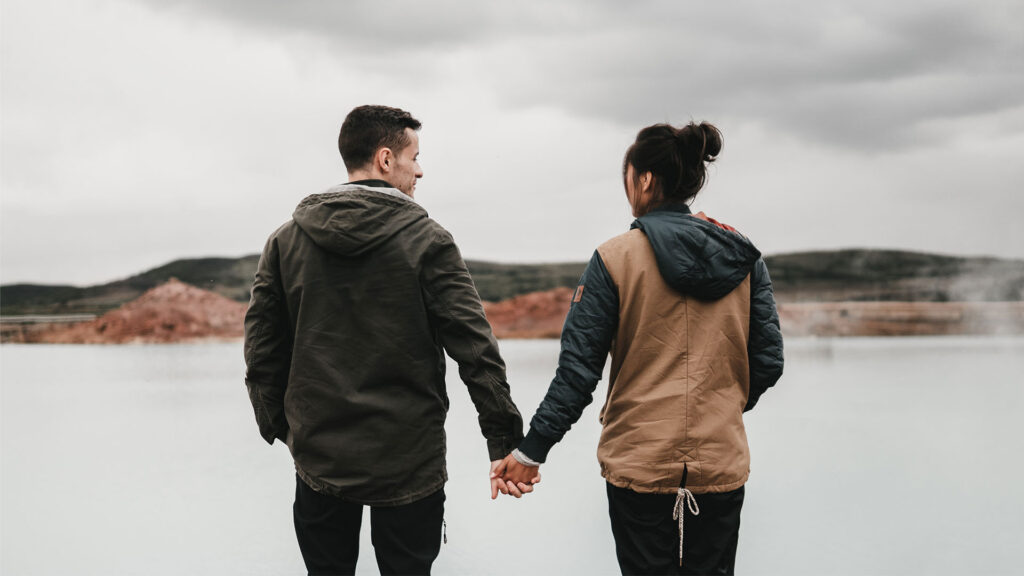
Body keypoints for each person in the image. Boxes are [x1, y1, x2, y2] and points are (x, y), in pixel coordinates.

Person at [243, 104, 528, 576]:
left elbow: (261, 351)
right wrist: (503, 440)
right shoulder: (430, 241)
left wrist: (284, 429)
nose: (420, 170)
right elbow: (476, 350)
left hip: (320, 457)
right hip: (409, 462)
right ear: (385, 159)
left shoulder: (285, 241)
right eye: (415, 157)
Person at [494, 121, 784, 574]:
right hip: (719, 462)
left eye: (626, 175)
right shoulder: (743, 259)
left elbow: (577, 374)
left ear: (645, 179)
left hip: (639, 464)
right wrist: (720, 407)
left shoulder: (613, 259)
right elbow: (768, 362)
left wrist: (530, 453)